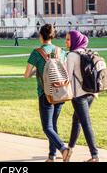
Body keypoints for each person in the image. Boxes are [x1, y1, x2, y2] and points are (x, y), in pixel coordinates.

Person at [24, 24, 71, 162]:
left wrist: (36, 70)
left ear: (41, 36)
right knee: (53, 125)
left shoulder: (37, 52)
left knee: (47, 127)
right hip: (60, 92)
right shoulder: (60, 51)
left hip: (46, 94)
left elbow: (26, 74)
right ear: (52, 36)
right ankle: (52, 156)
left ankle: (63, 149)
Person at [65, 30, 100, 162]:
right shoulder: (86, 52)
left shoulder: (71, 56)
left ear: (74, 41)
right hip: (91, 93)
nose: (66, 42)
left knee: (85, 124)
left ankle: (95, 155)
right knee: (76, 120)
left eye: (68, 39)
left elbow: (67, 77)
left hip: (79, 96)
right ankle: (70, 149)